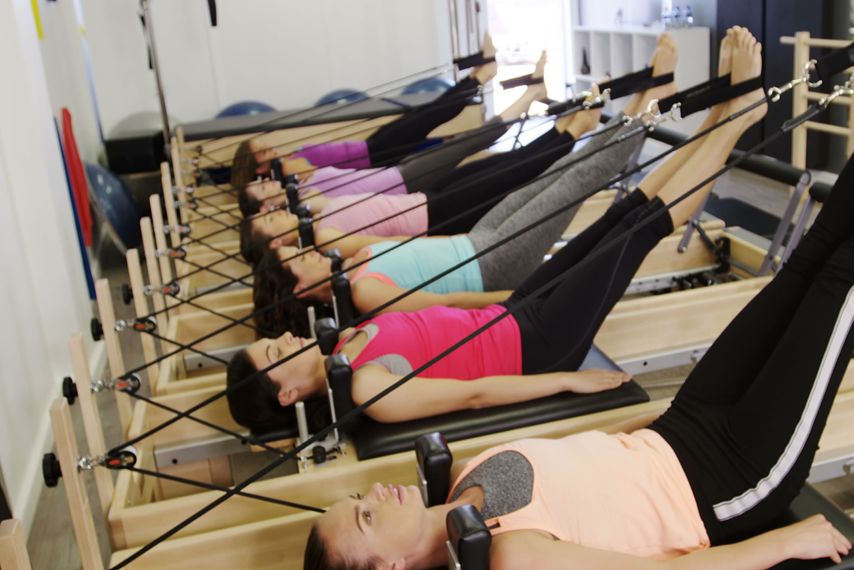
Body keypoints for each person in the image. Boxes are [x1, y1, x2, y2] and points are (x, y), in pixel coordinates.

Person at [305, 4, 854, 567]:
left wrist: (642, 416)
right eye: (364, 518)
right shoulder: (506, 557)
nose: (376, 496)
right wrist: (775, 544)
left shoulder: (459, 482)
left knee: (808, 259)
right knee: (844, 278)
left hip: (677, 428)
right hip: (729, 478)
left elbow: (586, 467)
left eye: (357, 501)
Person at [224, 27, 760, 433]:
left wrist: (521, 293)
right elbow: (474, 395)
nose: (284, 341)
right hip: (536, 346)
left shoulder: (345, 339)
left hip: (514, 313)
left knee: (624, 213)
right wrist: (565, 380)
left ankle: (722, 117)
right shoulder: (364, 386)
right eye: (275, 355)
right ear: (289, 393)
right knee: (638, 228)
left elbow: (450, 311)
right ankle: (738, 117)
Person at [252, 109, 650, 337]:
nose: (309, 252)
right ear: (301, 287)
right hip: (493, 263)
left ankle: (631, 118)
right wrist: (517, 300)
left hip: (476, 239)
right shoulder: (363, 294)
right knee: (572, 185)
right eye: (299, 259)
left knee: (551, 177)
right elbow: (446, 303)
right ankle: (646, 114)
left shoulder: (348, 263)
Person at [238, 103, 600, 264]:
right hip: (433, 219)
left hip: (422, 199)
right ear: (278, 241)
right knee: (509, 177)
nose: (272, 209)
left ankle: (562, 131)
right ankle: (571, 134)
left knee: (499, 166)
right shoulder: (323, 239)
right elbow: (389, 245)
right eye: (269, 218)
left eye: (269, 212)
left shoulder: (309, 208)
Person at [238, 53, 552, 217]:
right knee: (467, 143)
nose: (270, 149)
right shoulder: (302, 195)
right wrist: (281, 178)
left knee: (460, 141)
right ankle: (528, 95)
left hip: (395, 173)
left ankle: (522, 91)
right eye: (262, 186)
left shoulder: (299, 184)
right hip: (401, 184)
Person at [229, 33, 500, 192]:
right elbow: (319, 175)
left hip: (368, 146)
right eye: (264, 152)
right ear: (261, 168)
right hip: (374, 159)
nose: (272, 149)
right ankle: (481, 77)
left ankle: (477, 74)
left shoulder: (287, 160)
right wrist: (284, 168)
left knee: (426, 113)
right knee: (431, 117)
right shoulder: (288, 173)